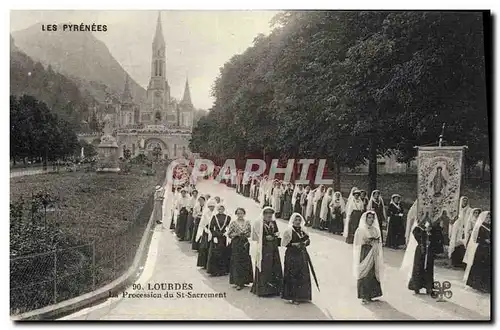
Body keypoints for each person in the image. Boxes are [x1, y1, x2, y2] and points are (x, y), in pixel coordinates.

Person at [403, 211, 441, 294]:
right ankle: (416, 286)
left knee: (429, 267)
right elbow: (415, 232)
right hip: (421, 249)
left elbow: (437, 235)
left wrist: (431, 232)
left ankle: (428, 286)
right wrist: (424, 230)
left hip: (429, 249)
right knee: (418, 267)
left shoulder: (434, 224)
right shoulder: (420, 224)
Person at [251, 206, 283, 297]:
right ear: (263, 214)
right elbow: (254, 236)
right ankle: (264, 290)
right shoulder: (258, 223)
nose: (269, 215)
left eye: (270, 213)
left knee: (274, 265)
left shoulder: (273, 222)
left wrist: (276, 235)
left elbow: (276, 232)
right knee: (265, 266)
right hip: (263, 248)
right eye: (267, 213)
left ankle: (275, 289)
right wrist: (265, 238)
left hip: (273, 248)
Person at [353, 211, 384, 304]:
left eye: (372, 218)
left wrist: (375, 242)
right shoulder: (361, 229)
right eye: (369, 218)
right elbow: (358, 241)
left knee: (372, 272)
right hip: (365, 252)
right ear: (365, 219)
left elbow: (378, 240)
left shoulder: (375, 229)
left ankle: (371, 294)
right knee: (365, 272)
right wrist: (367, 241)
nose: (370, 219)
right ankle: (364, 295)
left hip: (373, 252)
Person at [281, 213, 312, 304]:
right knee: (293, 274)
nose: (298, 222)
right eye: (296, 220)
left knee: (302, 274)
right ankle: (293, 297)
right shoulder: (289, 231)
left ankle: (302, 296)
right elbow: (284, 244)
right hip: (292, 255)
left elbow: (308, 240)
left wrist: (306, 242)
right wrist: (293, 244)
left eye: (299, 220)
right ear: (293, 221)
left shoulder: (303, 230)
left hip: (302, 255)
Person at [463, 211, 490, 293]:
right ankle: (478, 285)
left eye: (490, 217)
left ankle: (486, 285)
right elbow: (476, 239)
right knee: (479, 267)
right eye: (487, 217)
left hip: (488, 250)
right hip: (481, 249)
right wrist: (485, 240)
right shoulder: (480, 227)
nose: (489, 219)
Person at [227, 208, 253, 290]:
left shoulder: (247, 223)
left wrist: (245, 234)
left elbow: (250, 233)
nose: (240, 215)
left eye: (241, 213)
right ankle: (237, 282)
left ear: (244, 214)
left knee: (244, 261)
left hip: (244, 242)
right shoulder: (233, 223)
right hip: (236, 242)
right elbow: (229, 234)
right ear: (236, 214)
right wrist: (236, 234)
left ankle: (244, 281)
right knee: (236, 261)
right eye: (238, 213)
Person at [206, 204, 231, 276]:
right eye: (219, 209)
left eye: (222, 209)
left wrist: (226, 233)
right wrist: (214, 236)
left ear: (224, 209)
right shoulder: (214, 217)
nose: (220, 210)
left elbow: (229, 227)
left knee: (223, 253)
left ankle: (222, 271)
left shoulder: (227, 217)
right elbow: (211, 227)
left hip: (223, 237)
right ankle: (214, 271)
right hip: (216, 237)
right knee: (215, 253)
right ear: (217, 209)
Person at [449, 197, 472, 268]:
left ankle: (462, 262)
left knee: (463, 243)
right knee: (455, 243)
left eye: (466, 201)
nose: (464, 202)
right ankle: (455, 261)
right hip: (456, 228)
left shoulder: (469, 210)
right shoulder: (457, 209)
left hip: (464, 228)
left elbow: (470, 219)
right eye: (463, 201)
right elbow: (452, 218)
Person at [195, 199, 216, 268]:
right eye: (210, 206)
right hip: (206, 231)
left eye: (213, 206)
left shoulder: (215, 213)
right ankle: (203, 263)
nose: (211, 208)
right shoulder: (206, 213)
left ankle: (210, 264)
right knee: (204, 247)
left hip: (213, 231)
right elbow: (202, 223)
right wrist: (205, 230)